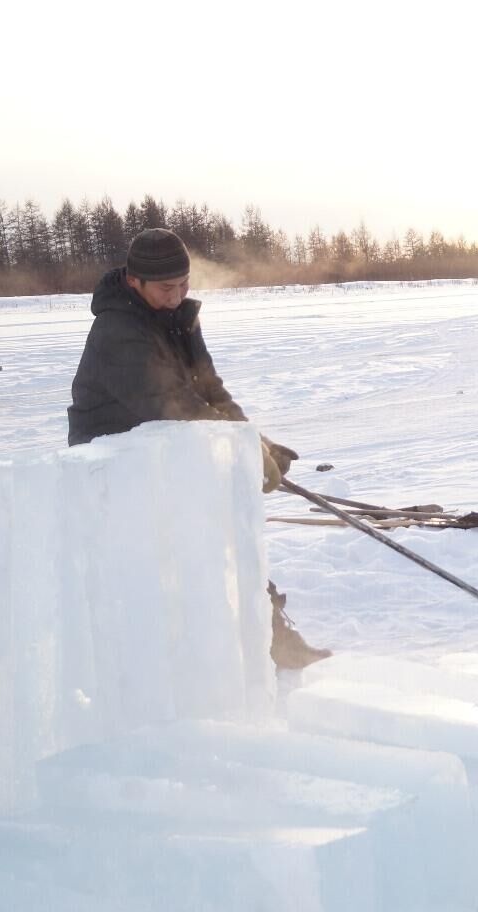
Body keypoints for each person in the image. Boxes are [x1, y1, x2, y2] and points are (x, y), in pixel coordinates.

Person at [68, 227, 331, 670]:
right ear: (135, 281)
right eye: (167, 287)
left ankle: (267, 636)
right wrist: (247, 454)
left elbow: (209, 391)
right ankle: (177, 660)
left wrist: (254, 440)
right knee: (188, 546)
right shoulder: (118, 331)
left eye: (184, 284)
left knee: (226, 529)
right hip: (116, 463)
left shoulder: (178, 317)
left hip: (172, 448)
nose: (177, 295)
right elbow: (173, 405)